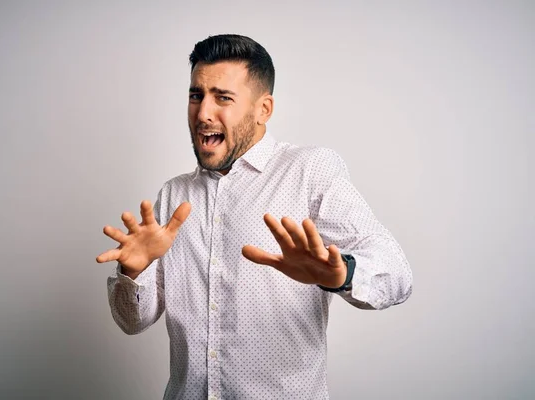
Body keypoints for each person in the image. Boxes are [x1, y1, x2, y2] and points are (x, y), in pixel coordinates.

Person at [97, 34, 413, 399]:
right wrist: (132, 272)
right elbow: (132, 322)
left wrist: (342, 274)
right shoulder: (174, 195)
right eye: (196, 95)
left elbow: (398, 275)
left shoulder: (308, 172)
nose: (203, 114)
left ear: (264, 109)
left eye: (223, 98)